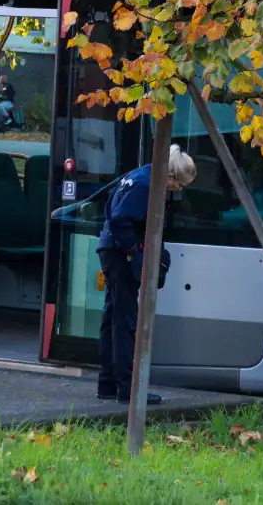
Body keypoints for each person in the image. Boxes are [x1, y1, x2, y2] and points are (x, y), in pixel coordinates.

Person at [96, 144, 197, 404]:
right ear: (171, 175)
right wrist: (134, 252)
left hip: (110, 249)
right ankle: (128, 390)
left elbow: (114, 215)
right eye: (180, 185)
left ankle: (108, 383)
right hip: (120, 254)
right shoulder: (146, 185)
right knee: (125, 321)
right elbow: (121, 220)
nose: (179, 190)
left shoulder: (138, 176)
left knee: (113, 318)